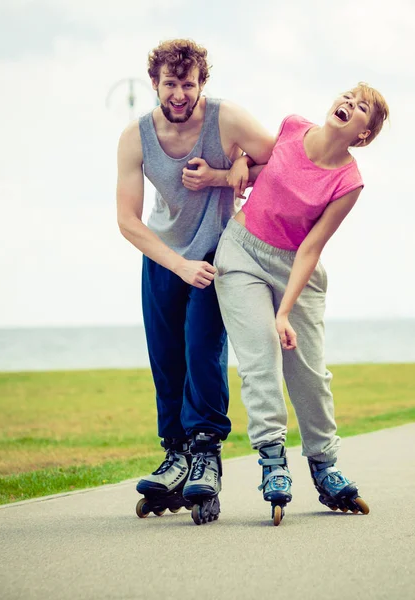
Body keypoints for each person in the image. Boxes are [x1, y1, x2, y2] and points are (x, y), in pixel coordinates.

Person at [214, 83, 389, 525]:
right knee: (259, 361)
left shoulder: (349, 181)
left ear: (364, 134)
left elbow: (311, 247)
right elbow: (256, 163)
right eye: (348, 96)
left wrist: (284, 312)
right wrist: (235, 162)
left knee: (308, 371)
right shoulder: (292, 128)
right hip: (241, 252)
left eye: (362, 106)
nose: (349, 104)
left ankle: (325, 466)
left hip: (297, 268)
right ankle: (273, 462)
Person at [116, 38, 275, 524]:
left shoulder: (227, 119)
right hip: (164, 257)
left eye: (188, 83)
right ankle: (176, 452)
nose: (179, 93)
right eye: (170, 83)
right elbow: (128, 220)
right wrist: (177, 265)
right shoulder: (135, 137)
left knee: (201, 350)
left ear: (201, 83)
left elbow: (280, 163)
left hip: (217, 253)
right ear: (155, 84)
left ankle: (205, 450)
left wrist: (229, 171)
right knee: (165, 360)